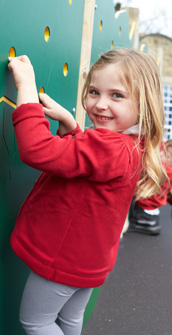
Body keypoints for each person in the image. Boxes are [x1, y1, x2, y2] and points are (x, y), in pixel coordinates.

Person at [8, 48, 166, 335]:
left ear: (144, 105)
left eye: (116, 95)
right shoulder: (130, 144)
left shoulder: (111, 146)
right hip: (90, 262)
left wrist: (26, 89)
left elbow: (36, 150)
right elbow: (87, 167)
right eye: (94, 91)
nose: (100, 104)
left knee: (37, 322)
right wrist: (71, 127)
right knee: (69, 319)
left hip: (65, 261)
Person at [129, 140, 172, 235]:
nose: (161, 154)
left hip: (145, 205)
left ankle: (142, 222)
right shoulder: (168, 170)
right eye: (163, 151)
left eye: (166, 155)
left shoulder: (165, 170)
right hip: (153, 208)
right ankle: (151, 223)